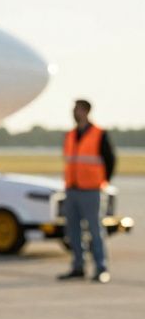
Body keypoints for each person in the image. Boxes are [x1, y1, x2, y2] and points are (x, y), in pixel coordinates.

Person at [60, 99, 115, 283]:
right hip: (72, 189)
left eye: (77, 109)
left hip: (91, 190)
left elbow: (110, 160)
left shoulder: (99, 134)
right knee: (73, 231)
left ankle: (101, 268)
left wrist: (102, 181)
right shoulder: (70, 135)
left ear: (85, 111)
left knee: (94, 229)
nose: (74, 112)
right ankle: (78, 266)